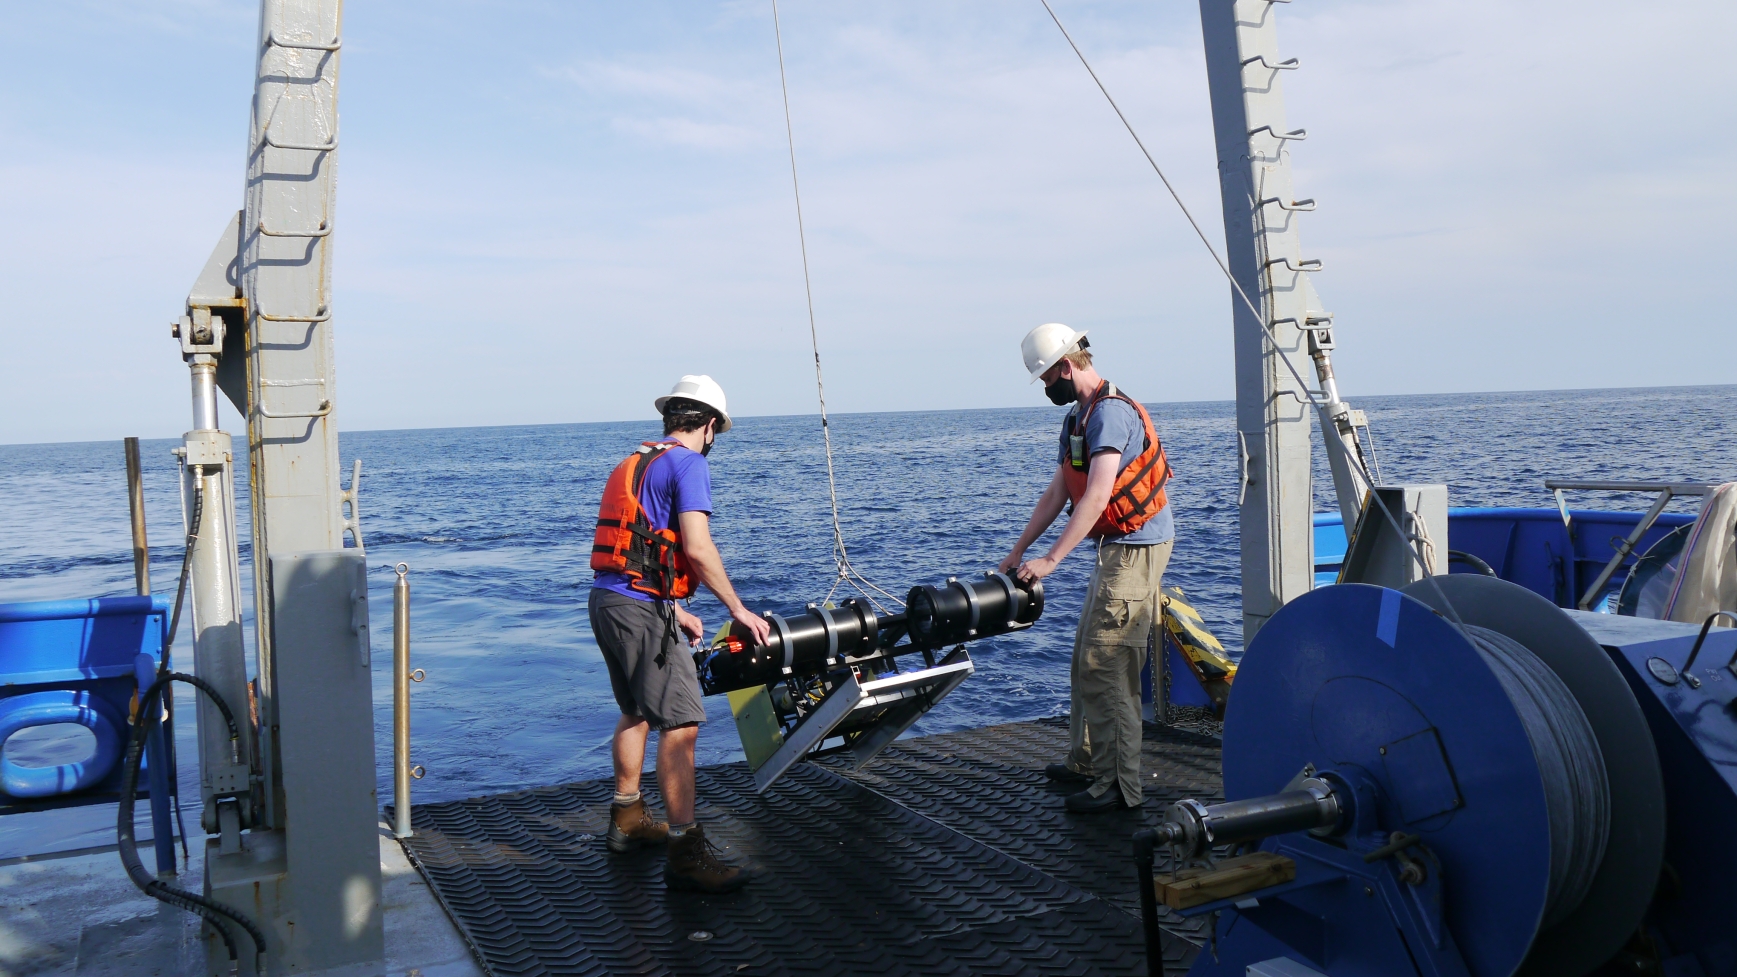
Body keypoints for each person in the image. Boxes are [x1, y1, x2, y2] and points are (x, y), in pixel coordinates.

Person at [588, 374, 772, 892]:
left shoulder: (636, 461)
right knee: (682, 722)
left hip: (609, 600)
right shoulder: (689, 464)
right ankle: (686, 853)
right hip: (638, 608)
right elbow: (695, 546)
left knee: (635, 710)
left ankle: (627, 820)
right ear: (709, 426)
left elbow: (638, 544)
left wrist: (676, 609)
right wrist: (736, 608)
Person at [998, 324, 1175, 814]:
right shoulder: (1080, 416)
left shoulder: (1110, 415)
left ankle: (1120, 786)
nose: (1046, 388)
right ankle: (1087, 762)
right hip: (1113, 549)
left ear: (1064, 366)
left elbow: (1097, 495)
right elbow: (1059, 492)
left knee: (1108, 663)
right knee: (1085, 657)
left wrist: (1052, 560)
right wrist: (1018, 551)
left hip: (1135, 549)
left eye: (1045, 378)